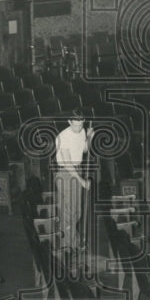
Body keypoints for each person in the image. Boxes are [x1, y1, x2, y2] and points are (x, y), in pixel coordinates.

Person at [54, 111, 93, 259]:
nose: (78, 128)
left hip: (77, 169)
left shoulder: (82, 130)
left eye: (81, 124)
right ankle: (69, 247)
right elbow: (67, 163)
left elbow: (83, 150)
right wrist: (81, 181)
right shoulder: (63, 137)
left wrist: (89, 137)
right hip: (66, 173)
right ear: (69, 121)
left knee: (77, 211)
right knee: (69, 212)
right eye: (75, 125)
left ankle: (73, 244)